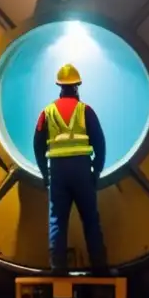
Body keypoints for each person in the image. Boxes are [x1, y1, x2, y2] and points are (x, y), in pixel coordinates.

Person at [33, 63, 108, 274]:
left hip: (58, 171)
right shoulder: (86, 111)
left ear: (59, 86)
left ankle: (58, 269)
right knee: (91, 219)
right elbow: (100, 144)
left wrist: (44, 174)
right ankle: (100, 268)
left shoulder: (46, 113)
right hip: (82, 169)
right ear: (77, 86)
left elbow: (37, 145)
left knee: (57, 219)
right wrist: (96, 172)